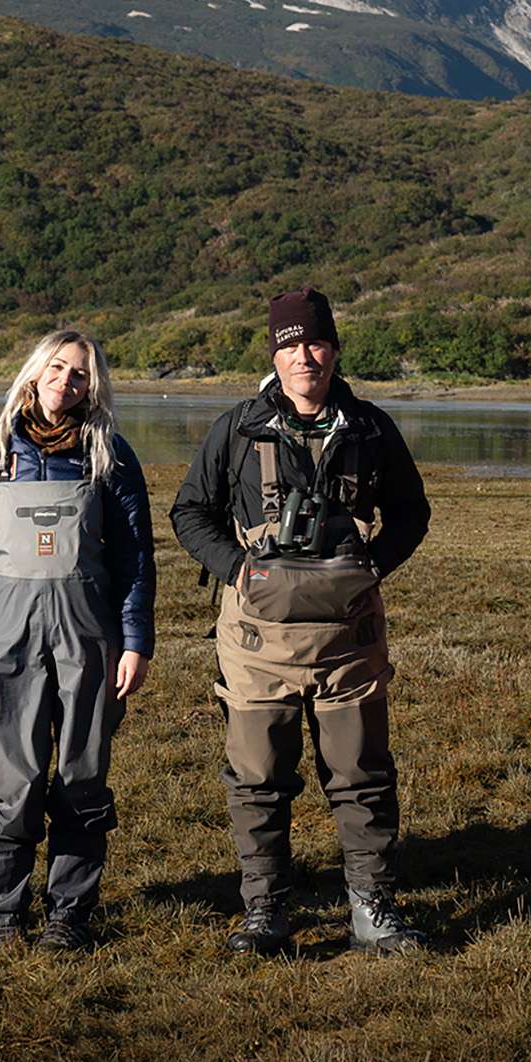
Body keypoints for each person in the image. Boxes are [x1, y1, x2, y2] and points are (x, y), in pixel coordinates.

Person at [171, 288, 431, 955]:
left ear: (335, 348)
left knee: (363, 775)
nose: (304, 356)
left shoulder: (371, 428)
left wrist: (372, 566)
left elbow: (412, 513)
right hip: (257, 645)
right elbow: (190, 512)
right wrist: (239, 569)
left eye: (315, 342)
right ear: (274, 354)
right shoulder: (235, 427)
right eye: (290, 344)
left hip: (349, 643)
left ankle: (373, 911)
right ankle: (265, 913)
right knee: (257, 782)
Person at [0, 329, 156, 951]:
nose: (67, 383)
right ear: (35, 372)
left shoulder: (110, 455)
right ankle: (1, 917)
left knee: (83, 776)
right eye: (59, 369)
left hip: (90, 633)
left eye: (82, 375)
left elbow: (135, 560)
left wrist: (135, 641)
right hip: (8, 634)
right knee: (13, 777)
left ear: (95, 386)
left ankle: (69, 914)